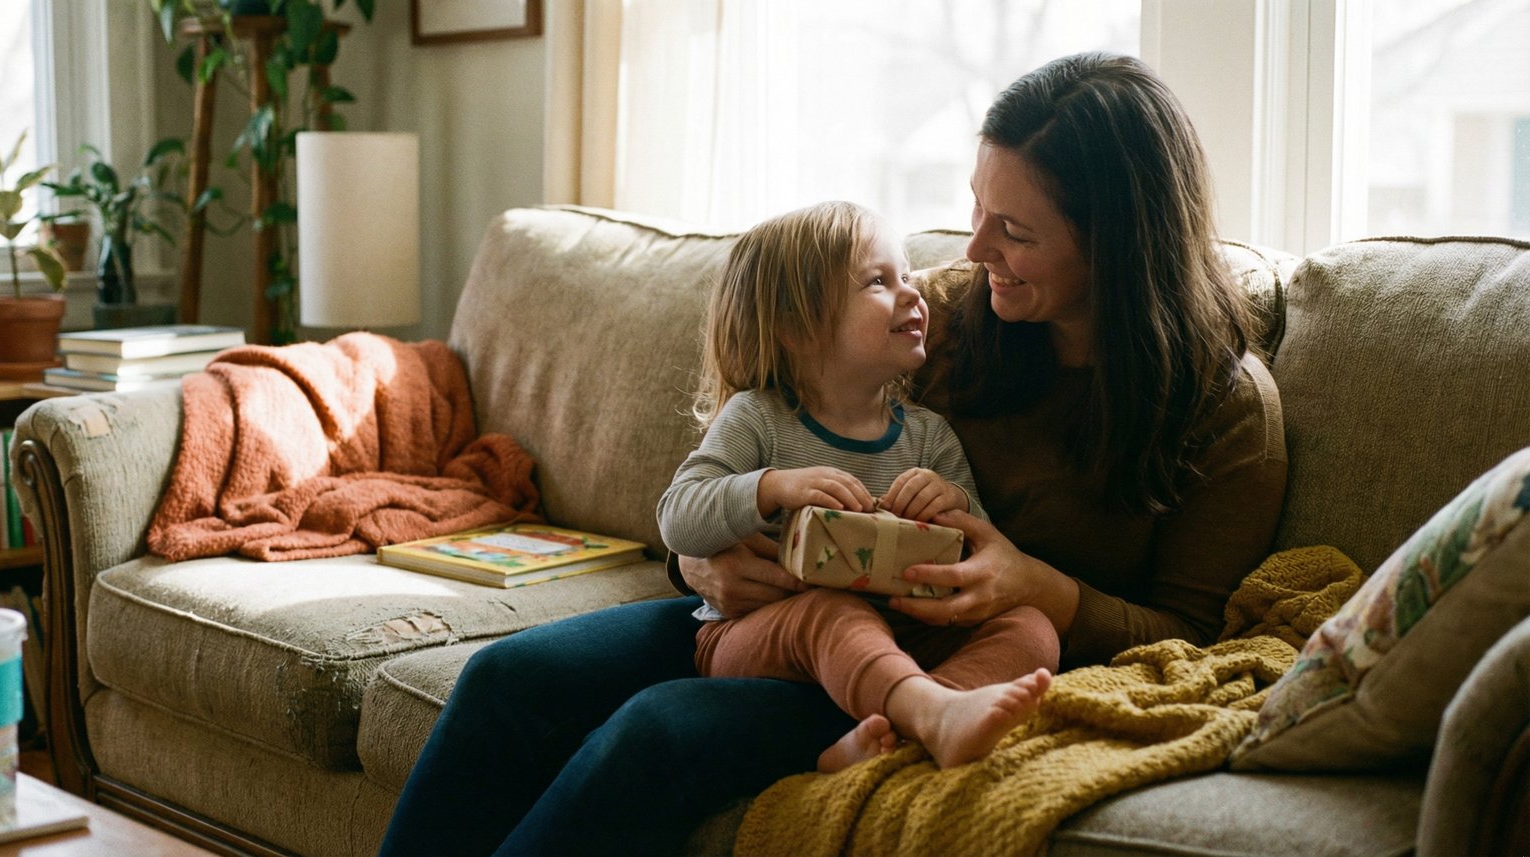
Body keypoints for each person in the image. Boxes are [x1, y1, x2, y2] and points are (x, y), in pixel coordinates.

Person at [380, 51, 1285, 857]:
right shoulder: (954, 320)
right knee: (507, 675)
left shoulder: (1223, 407)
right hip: (791, 611)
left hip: (946, 652)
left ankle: (919, 718)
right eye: (978, 210)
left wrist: (1032, 584)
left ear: (1117, 242)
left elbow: (1194, 642)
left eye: (1014, 230)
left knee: (652, 734)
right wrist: (705, 557)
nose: (974, 250)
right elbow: (774, 415)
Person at [656, 200, 1058, 773]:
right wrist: (771, 487)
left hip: (905, 633)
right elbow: (678, 518)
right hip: (767, 635)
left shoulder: (928, 436)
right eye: (878, 281)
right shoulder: (758, 418)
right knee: (834, 610)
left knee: (1032, 628)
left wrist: (955, 508)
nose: (912, 294)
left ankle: (903, 727)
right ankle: (931, 716)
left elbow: (978, 556)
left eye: (907, 277)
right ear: (796, 327)